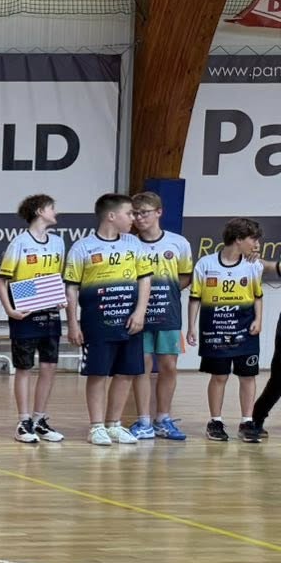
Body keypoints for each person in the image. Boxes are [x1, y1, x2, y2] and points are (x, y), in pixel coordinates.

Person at [64, 192, 151, 448]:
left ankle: (114, 424)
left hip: (129, 321)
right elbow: (71, 288)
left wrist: (140, 312)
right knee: (98, 373)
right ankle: (96, 427)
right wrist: (73, 323)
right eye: (129, 213)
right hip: (97, 322)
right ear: (111, 216)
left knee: (126, 373)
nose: (134, 218)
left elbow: (144, 279)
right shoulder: (82, 247)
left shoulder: (134, 244)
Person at [0, 194, 67, 445]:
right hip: (24, 313)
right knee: (24, 367)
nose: (55, 212)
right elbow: (2, 280)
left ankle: (39, 419)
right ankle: (23, 421)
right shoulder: (20, 243)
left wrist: (58, 296)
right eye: (51, 208)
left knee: (49, 366)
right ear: (39, 211)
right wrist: (10, 310)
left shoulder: (58, 243)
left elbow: (56, 278)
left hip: (50, 313)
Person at [190, 219, 264, 442]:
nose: (256, 244)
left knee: (248, 376)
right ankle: (215, 421)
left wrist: (259, 319)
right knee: (219, 376)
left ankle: (247, 422)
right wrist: (191, 326)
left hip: (245, 331)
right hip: (215, 330)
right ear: (238, 239)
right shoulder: (205, 264)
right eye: (253, 239)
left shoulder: (253, 265)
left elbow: (257, 296)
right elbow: (195, 298)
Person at [129, 192, 193, 440]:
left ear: (159, 212)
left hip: (168, 313)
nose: (139, 218)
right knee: (142, 367)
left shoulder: (179, 243)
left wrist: (167, 291)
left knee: (168, 367)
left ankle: (163, 419)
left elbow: (185, 276)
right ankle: (144, 420)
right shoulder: (129, 244)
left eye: (144, 212)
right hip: (139, 316)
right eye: (135, 213)